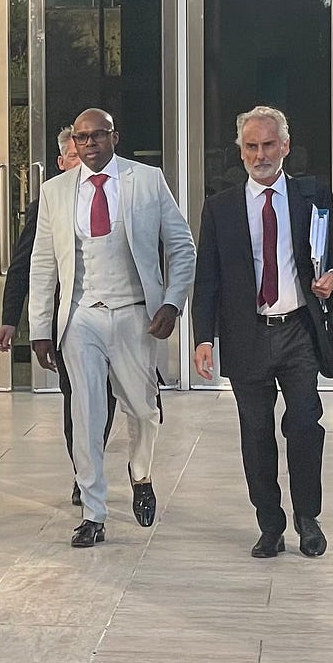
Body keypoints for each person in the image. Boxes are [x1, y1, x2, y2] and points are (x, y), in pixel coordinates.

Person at [28, 108, 196, 548]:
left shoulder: (147, 180)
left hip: (135, 313)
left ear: (114, 137)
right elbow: (43, 263)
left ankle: (141, 475)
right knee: (86, 414)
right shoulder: (55, 191)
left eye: (98, 136)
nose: (90, 144)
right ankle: (93, 511)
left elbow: (182, 246)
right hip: (81, 315)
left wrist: (172, 303)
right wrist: (40, 327)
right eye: (82, 138)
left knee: (143, 409)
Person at [192, 105, 333, 558]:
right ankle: (270, 524)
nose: (260, 155)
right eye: (251, 147)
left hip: (299, 329)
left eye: (268, 145)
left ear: (286, 146)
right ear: (240, 151)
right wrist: (203, 338)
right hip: (248, 335)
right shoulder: (221, 207)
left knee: (304, 425)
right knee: (256, 433)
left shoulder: (310, 196)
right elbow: (207, 278)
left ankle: (308, 519)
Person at [0, 127, 117, 507]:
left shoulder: (118, 194)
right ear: (62, 163)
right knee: (77, 399)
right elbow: (25, 265)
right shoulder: (49, 203)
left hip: (115, 317)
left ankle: (93, 463)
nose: (84, 161)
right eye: (74, 156)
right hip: (68, 322)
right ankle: (84, 474)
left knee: (108, 397)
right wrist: (11, 318)